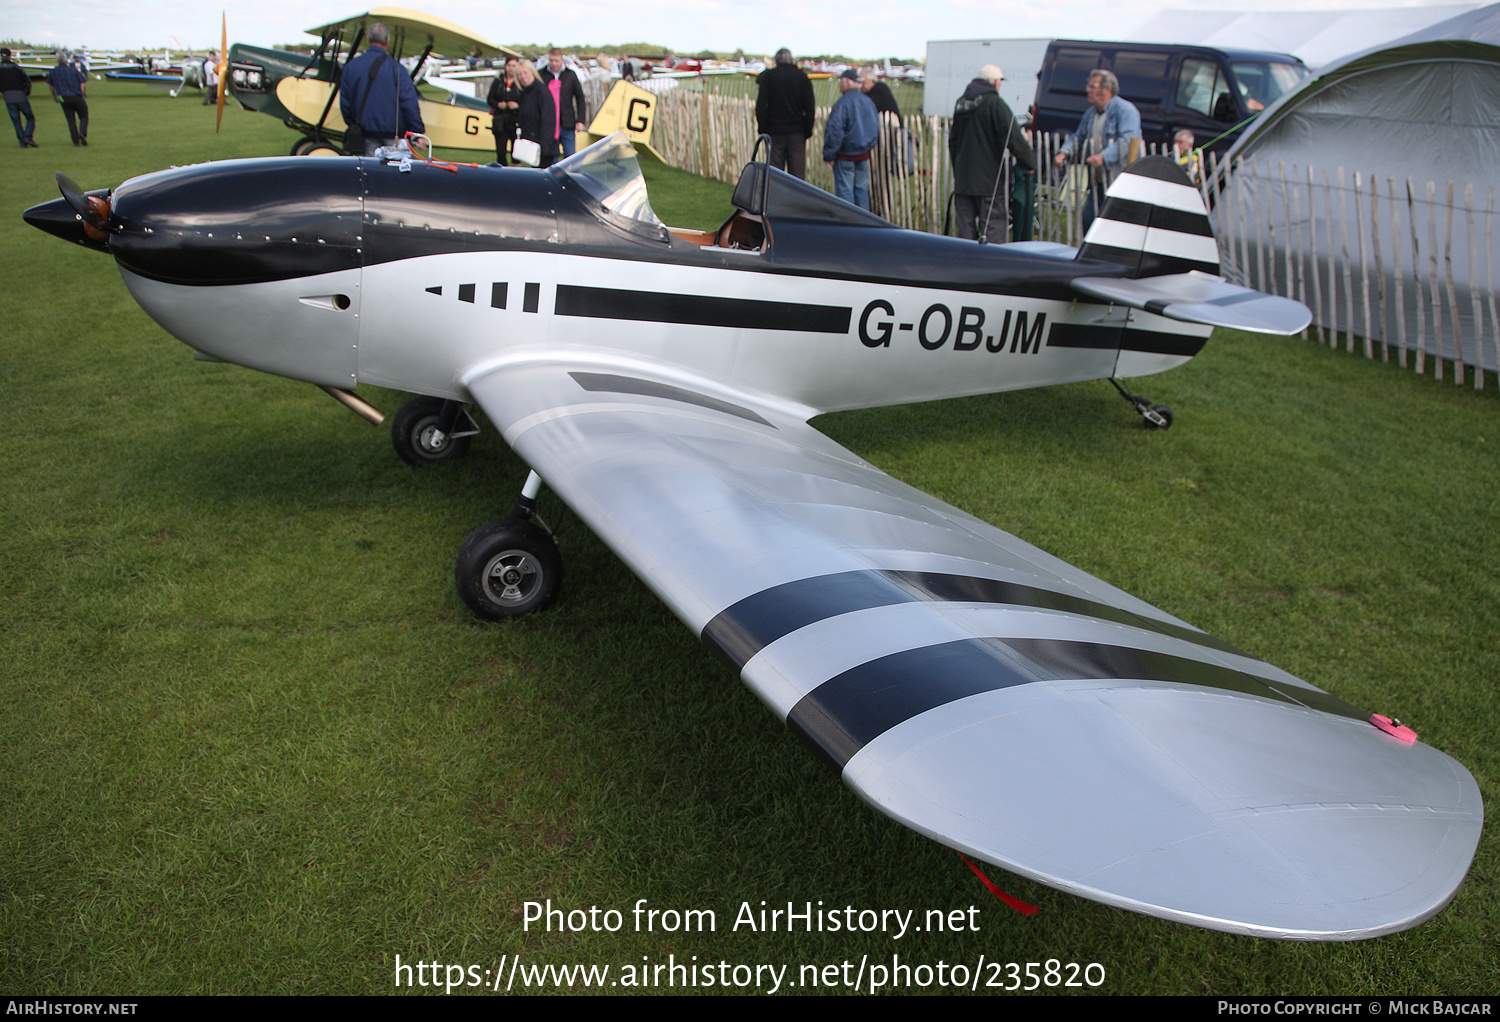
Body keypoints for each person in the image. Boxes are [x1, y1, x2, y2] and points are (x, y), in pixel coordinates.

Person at [949, 64, 1036, 243]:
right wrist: (1029, 162)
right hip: (989, 180)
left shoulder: (961, 103)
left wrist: (957, 169)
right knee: (993, 226)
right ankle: (993, 265)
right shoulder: (993, 103)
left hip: (964, 179)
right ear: (995, 82)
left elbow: (953, 141)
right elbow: (1013, 136)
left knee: (966, 227)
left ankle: (966, 263)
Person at [1052, 68, 1140, 231]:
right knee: (1089, 220)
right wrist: (1064, 152)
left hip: (1119, 179)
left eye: (1092, 86)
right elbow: (1078, 137)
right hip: (1099, 180)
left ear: (1107, 90)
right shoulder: (1091, 114)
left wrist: (1102, 157)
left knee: (1114, 225)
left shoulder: (1125, 111)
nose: (1088, 90)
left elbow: (1128, 141)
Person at [338, 22, 424, 156]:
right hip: (394, 137)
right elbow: (409, 103)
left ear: (368, 39)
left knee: (371, 174)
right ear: (387, 41)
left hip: (366, 135)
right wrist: (417, 132)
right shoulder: (397, 69)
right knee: (398, 174)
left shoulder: (350, 67)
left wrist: (354, 125)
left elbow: (345, 103)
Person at [822, 68, 879, 211]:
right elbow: (874, 128)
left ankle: (848, 226)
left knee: (845, 195)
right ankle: (864, 226)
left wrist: (829, 154)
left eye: (841, 81)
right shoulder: (868, 102)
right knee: (861, 191)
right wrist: (867, 146)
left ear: (847, 82)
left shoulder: (842, 104)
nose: (840, 84)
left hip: (845, 156)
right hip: (863, 155)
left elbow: (835, 131)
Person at [755, 48, 815, 179]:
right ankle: (796, 199)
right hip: (797, 132)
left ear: (776, 61)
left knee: (775, 176)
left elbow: (761, 106)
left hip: (775, 132)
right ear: (792, 60)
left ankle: (776, 199)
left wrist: (763, 128)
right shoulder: (802, 77)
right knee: (797, 176)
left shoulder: (769, 77)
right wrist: (807, 130)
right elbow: (810, 107)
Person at [539, 49, 587, 158]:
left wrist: (580, 120)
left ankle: (569, 175)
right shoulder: (541, 75)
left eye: (556, 60)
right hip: (548, 124)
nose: (554, 63)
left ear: (562, 60)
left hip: (567, 123)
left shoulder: (570, 75)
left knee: (570, 158)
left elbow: (580, 98)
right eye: (551, 60)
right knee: (551, 158)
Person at [516, 60, 561, 168]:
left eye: (525, 72)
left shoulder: (541, 91)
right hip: (532, 145)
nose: (523, 76)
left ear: (532, 72)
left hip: (544, 147)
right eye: (519, 74)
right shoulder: (525, 93)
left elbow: (548, 120)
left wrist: (545, 148)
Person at [44, 51, 88, 147]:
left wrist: (54, 97)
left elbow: (51, 86)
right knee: (84, 116)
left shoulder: (53, 72)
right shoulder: (73, 70)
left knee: (71, 120)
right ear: (66, 60)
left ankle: (76, 142)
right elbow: (82, 83)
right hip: (76, 96)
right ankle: (82, 132)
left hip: (63, 98)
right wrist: (82, 94)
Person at [486, 56, 523, 164]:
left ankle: (516, 175)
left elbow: (527, 101)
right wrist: (497, 105)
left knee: (516, 153)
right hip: (500, 120)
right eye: (509, 66)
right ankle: (502, 174)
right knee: (501, 151)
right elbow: (490, 98)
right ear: (505, 66)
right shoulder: (498, 81)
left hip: (516, 120)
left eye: (514, 66)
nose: (511, 69)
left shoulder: (520, 82)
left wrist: (517, 105)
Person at [0, 48, 37, 148]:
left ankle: (22, 142)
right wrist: (27, 92)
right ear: (10, 55)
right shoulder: (16, 68)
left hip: (8, 97)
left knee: (16, 120)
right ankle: (28, 137)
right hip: (20, 95)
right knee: (29, 117)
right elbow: (27, 80)